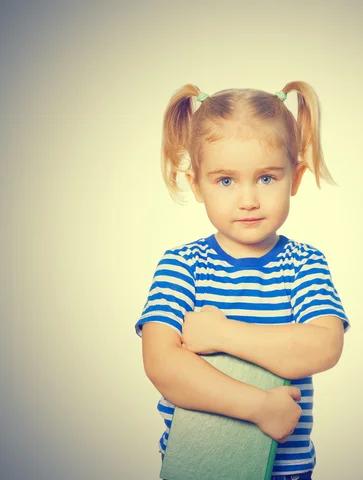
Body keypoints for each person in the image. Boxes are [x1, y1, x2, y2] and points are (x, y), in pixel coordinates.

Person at [135, 81, 351, 480]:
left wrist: (222, 334)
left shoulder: (302, 265)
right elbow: (162, 364)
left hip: (284, 473)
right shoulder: (183, 266)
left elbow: (324, 345)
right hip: (196, 469)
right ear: (196, 183)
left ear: (296, 178)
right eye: (226, 180)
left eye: (267, 178)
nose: (248, 199)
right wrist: (259, 406)